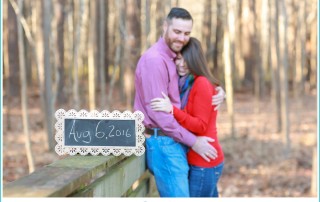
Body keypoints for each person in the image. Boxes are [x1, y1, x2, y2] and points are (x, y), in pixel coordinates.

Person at [134, 7, 225, 197]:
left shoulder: (173, 59)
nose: (182, 38)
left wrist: (219, 91)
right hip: (165, 143)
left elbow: (195, 88)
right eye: (177, 31)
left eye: (186, 33)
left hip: (175, 143)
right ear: (165, 26)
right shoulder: (155, 61)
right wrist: (194, 142)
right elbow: (161, 116)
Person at [150, 37, 224, 197]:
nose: (181, 64)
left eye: (187, 60)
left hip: (204, 160)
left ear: (196, 61)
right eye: (178, 59)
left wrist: (172, 110)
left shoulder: (201, 83)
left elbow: (200, 126)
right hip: (199, 158)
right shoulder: (188, 82)